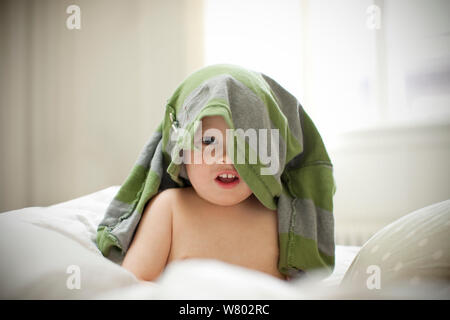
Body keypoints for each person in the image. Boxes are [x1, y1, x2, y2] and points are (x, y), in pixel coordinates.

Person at [96, 64, 336, 283]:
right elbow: (133, 287)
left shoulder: (284, 220)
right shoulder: (170, 209)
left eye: (243, 143)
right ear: (181, 151)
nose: (227, 158)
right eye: (209, 140)